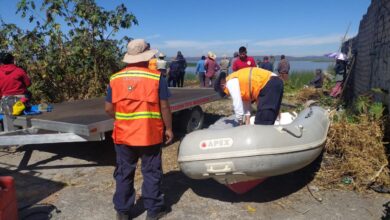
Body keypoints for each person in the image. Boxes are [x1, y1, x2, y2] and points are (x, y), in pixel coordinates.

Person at [104, 39, 173, 220]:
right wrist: (169, 128)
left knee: (124, 172)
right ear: (147, 56)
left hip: (123, 135)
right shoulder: (156, 77)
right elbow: (164, 107)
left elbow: (108, 109)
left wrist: (123, 120)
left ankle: (123, 211)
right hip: (149, 135)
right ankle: (153, 210)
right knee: (151, 172)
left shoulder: (115, 78)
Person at [214, 67, 283, 125]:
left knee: (262, 124)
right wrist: (247, 120)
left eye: (224, 92)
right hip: (274, 82)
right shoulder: (239, 84)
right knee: (269, 118)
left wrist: (239, 121)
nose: (228, 94)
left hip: (268, 83)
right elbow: (246, 103)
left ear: (222, 85)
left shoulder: (230, 82)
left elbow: (237, 103)